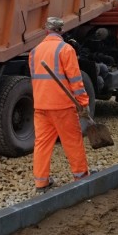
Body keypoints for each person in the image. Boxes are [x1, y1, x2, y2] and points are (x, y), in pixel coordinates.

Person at [28, 17, 91, 192]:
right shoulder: (66, 49)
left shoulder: (34, 52)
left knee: (42, 143)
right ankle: (81, 177)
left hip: (41, 106)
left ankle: (41, 182)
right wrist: (83, 103)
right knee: (72, 142)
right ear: (61, 31)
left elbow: (36, 79)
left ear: (46, 31)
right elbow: (76, 81)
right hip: (62, 106)